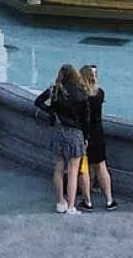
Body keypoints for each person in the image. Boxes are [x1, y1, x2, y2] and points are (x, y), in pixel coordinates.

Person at [34, 64, 91, 215]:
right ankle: (71, 206)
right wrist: (86, 136)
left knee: (59, 168)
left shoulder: (55, 89)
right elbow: (86, 119)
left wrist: (51, 112)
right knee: (73, 171)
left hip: (59, 131)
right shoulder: (81, 92)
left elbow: (38, 101)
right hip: (75, 133)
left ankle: (60, 202)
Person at [79, 65, 117, 211]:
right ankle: (109, 200)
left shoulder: (81, 96)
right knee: (102, 168)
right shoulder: (100, 93)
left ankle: (87, 202)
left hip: (84, 135)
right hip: (98, 134)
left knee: (84, 169)